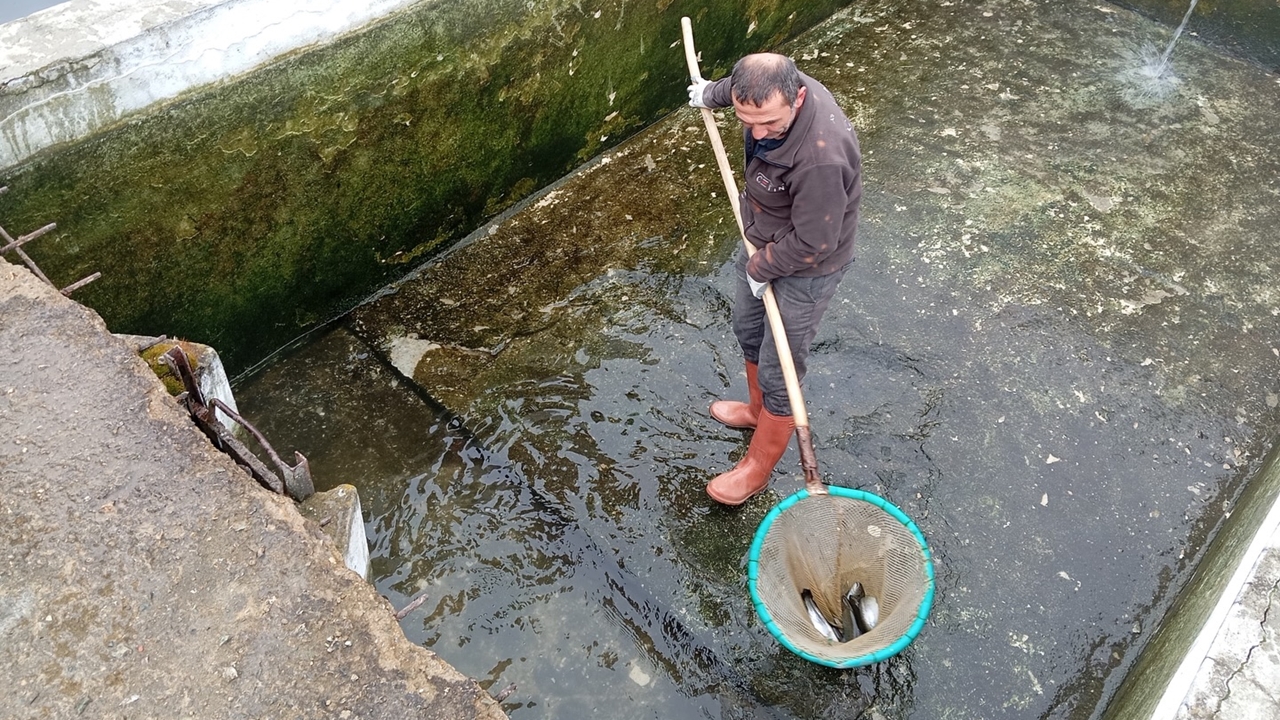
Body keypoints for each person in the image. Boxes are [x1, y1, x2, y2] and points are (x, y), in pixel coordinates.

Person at [687, 53, 862, 506]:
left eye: (769, 123)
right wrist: (709, 94)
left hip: (809, 265)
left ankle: (757, 468)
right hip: (763, 238)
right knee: (747, 328)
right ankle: (755, 410)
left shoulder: (821, 158)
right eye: (748, 122)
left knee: (779, 369)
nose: (759, 133)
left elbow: (815, 242)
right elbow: (736, 90)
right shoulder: (768, 87)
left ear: (797, 97)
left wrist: (760, 268)